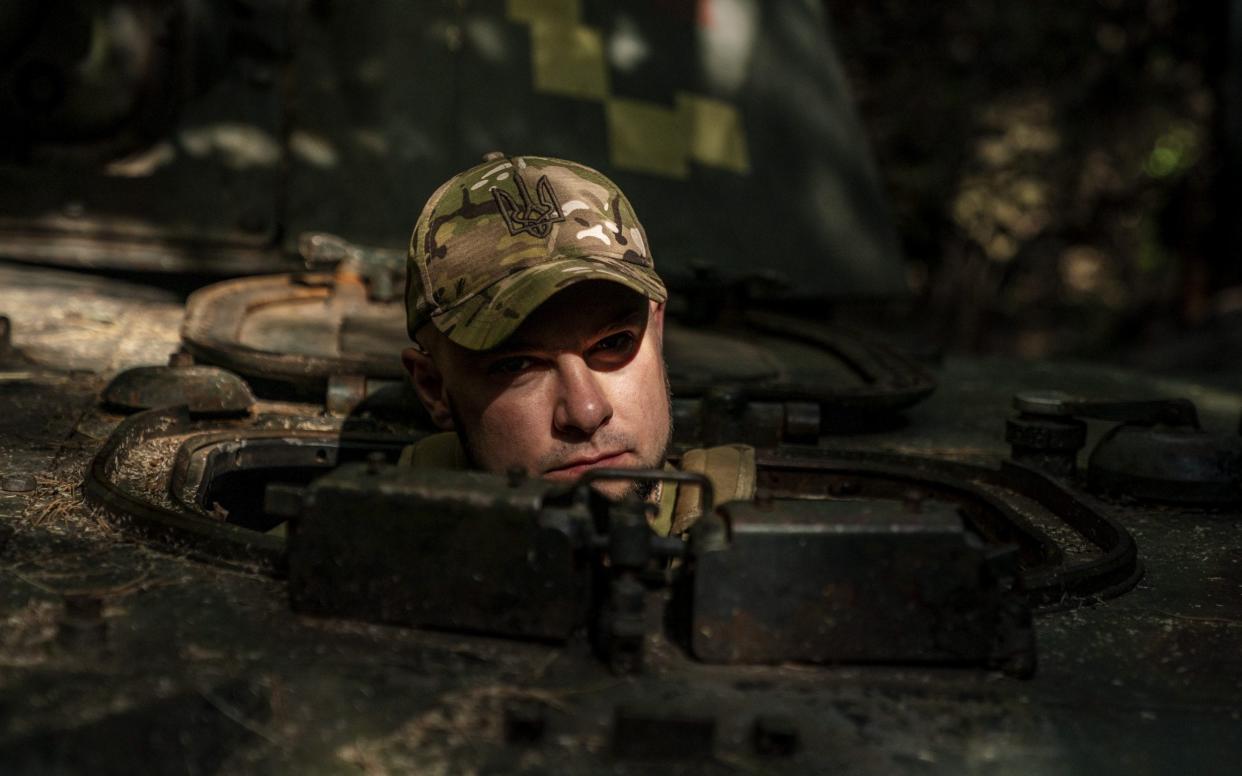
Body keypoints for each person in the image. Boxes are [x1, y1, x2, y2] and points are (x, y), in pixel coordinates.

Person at [400, 153, 753, 535]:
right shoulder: (387, 548)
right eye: (517, 364)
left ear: (656, 328)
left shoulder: (759, 549)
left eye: (614, 342)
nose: (586, 412)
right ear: (433, 388)